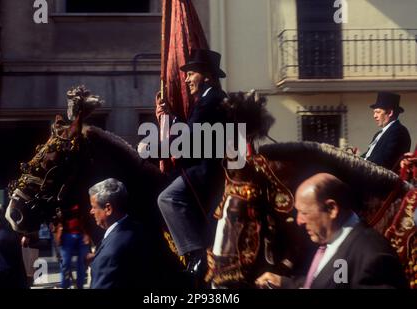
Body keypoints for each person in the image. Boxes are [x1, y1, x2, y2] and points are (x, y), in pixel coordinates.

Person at [255, 173, 408, 289]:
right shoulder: (335, 241)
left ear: (332, 209)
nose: (299, 221)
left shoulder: (373, 258)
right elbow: (330, 281)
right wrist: (285, 283)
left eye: (305, 213)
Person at [156, 49, 227, 279]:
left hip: (207, 170)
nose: (186, 79)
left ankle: (195, 254)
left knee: (166, 198)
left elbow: (188, 139)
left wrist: (150, 151)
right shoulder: (207, 98)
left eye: (191, 73)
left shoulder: (210, 100)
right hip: (200, 166)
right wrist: (171, 116)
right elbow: (191, 131)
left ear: (206, 75)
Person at [88, 178, 145, 289]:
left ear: (108, 209)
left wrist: (98, 260)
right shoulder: (139, 229)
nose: (91, 211)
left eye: (94, 207)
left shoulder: (109, 254)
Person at [361, 92, 411, 170]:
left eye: (378, 112)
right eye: (374, 112)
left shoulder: (399, 132)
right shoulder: (379, 134)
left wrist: (359, 164)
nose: (374, 116)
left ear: (390, 113)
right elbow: (368, 155)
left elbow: (384, 161)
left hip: (376, 178)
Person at [53, 204, 90, 289]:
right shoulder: (62, 200)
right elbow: (56, 218)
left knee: (82, 263)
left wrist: (87, 233)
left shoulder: (81, 199)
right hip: (67, 234)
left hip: (82, 234)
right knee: (65, 264)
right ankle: (65, 286)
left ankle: (80, 286)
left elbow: (87, 217)